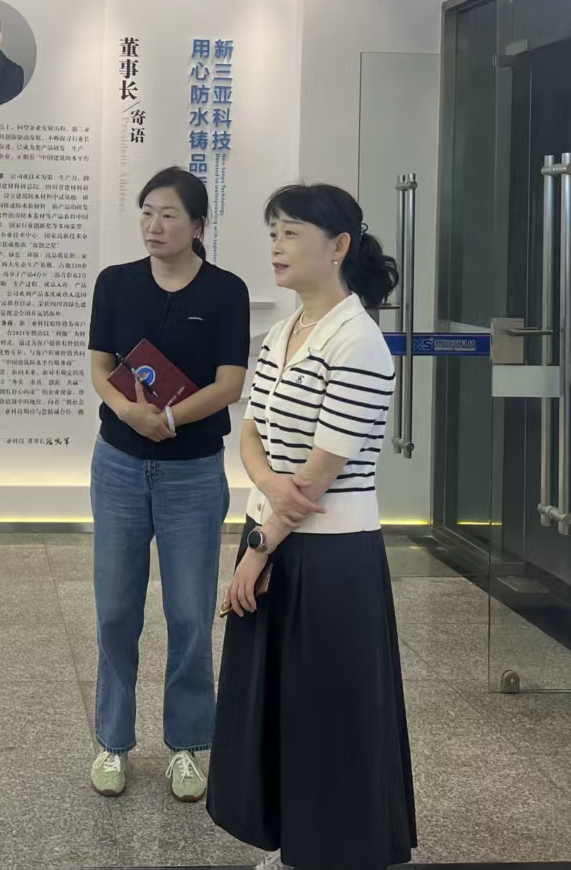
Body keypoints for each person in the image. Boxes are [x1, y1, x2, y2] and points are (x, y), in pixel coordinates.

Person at [208, 183, 416, 870]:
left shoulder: (360, 342)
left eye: (291, 232)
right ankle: (293, 842)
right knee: (275, 703)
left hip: (330, 555)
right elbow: (251, 433)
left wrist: (257, 551)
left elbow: (321, 472)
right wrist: (269, 491)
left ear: (339, 246)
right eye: (274, 232)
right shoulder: (283, 333)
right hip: (273, 531)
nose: (277, 245)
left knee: (325, 708)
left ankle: (332, 850)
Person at [86, 167, 251, 802]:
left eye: (169, 215)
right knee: (115, 610)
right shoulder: (116, 282)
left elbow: (230, 383)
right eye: (147, 212)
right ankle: (112, 741)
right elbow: (100, 365)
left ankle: (187, 745)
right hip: (119, 465)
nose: (154, 226)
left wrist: (172, 419)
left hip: (192, 473)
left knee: (188, 613)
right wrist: (128, 412)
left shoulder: (226, 291)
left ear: (199, 225)